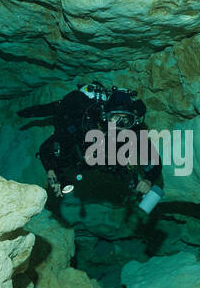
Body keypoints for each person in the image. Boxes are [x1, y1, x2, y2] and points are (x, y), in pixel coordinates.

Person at [31, 81, 162, 200]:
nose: (120, 124)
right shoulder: (85, 127)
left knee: (124, 171)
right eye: (115, 118)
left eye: (126, 120)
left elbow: (154, 160)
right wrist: (51, 170)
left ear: (133, 121)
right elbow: (46, 149)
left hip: (108, 163)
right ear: (105, 117)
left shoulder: (132, 133)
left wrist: (149, 180)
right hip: (79, 158)